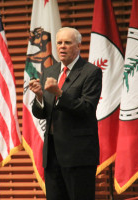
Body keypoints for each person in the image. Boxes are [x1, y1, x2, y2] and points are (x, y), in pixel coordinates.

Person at [29, 27, 102, 200]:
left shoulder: (91, 72)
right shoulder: (50, 71)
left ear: (78, 46)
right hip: (52, 154)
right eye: (59, 43)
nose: (62, 46)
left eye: (67, 43)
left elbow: (87, 108)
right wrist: (39, 96)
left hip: (78, 156)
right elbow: (42, 113)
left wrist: (60, 94)